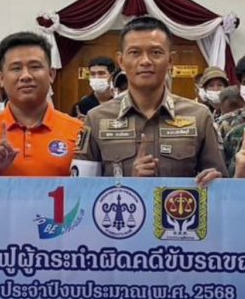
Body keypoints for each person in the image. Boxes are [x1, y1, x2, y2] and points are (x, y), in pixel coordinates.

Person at [73, 16, 225, 182]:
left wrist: (213, 181)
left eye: (156, 52)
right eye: (135, 53)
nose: (145, 61)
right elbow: (80, 189)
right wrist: (129, 183)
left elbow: (221, 185)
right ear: (121, 61)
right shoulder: (96, 119)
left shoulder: (199, 117)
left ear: (170, 60)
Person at [0, 32, 83, 177]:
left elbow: (89, 187)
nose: (26, 76)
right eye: (16, 68)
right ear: (1, 78)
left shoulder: (79, 131)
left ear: (51, 74)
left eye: (35, 67)